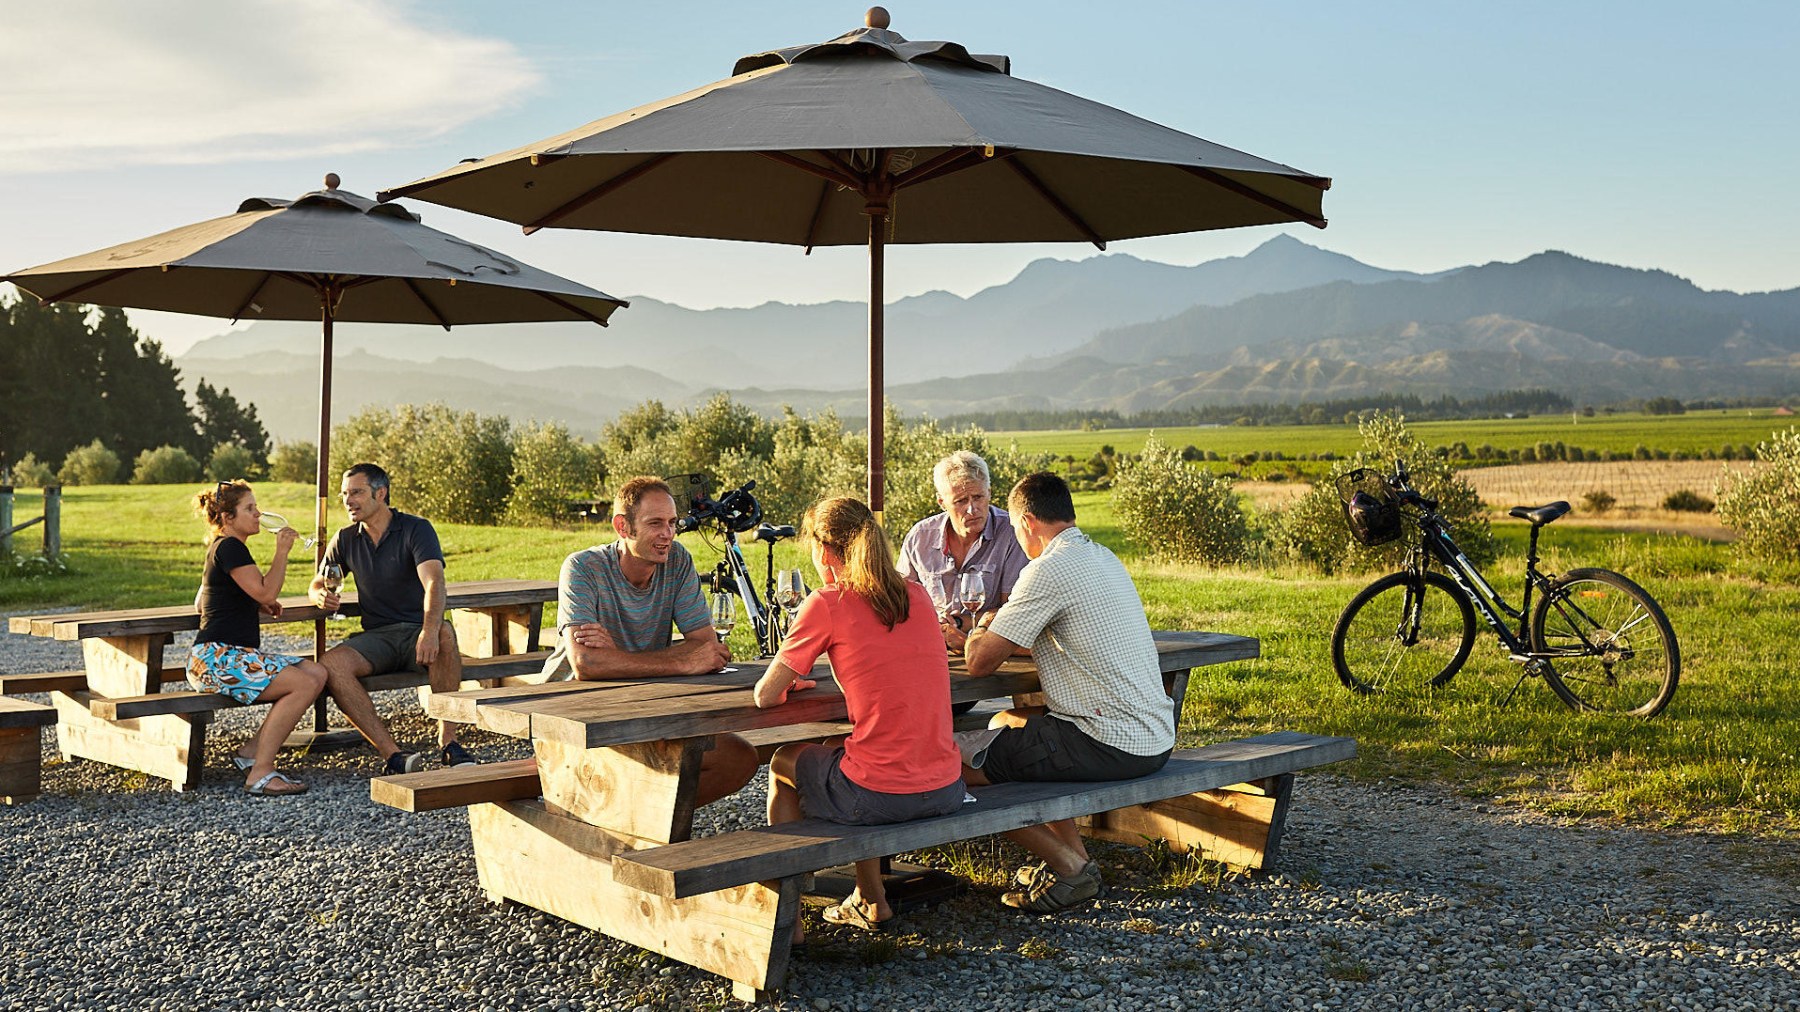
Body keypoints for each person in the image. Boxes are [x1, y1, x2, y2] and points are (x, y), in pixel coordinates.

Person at [961, 471, 1175, 914]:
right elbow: (1045, 633)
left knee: (950, 768)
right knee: (1005, 722)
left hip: (1104, 741)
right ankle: (1078, 863)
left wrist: (977, 627)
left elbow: (979, 662)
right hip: (1154, 736)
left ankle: (1069, 868)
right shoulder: (1103, 558)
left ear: (1026, 522)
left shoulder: (1046, 569)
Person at [754, 496, 965, 938]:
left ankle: (786, 919)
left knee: (782, 764)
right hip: (946, 785)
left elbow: (764, 696)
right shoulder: (916, 594)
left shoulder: (828, 602)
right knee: (840, 751)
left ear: (826, 552)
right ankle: (871, 898)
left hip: (882, 795)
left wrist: (790, 681)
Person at [541, 475, 757, 806]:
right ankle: (637, 831)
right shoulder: (583, 567)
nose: (668, 534)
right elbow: (586, 665)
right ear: (622, 527)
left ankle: (644, 830)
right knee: (648, 774)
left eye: (672, 523)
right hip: (571, 719)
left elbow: (706, 646)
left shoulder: (678, 561)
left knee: (739, 758)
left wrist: (618, 658)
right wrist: (682, 662)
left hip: (638, 710)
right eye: (655, 523)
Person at [307, 463, 470, 774]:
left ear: (380, 494)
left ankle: (449, 743)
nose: (348, 501)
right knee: (331, 664)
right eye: (344, 494)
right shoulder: (345, 539)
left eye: (356, 492)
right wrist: (318, 594)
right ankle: (394, 755)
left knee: (446, 634)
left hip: (415, 633)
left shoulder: (415, 529)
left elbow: (434, 582)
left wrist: (429, 630)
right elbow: (318, 581)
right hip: (378, 638)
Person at [189, 480, 328, 797]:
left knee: (316, 672)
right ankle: (260, 773)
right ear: (228, 518)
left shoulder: (223, 547)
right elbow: (267, 589)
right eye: (249, 509)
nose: (258, 514)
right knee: (303, 683)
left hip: (223, 656)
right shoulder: (230, 546)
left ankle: (251, 752)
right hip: (216, 659)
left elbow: (203, 602)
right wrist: (282, 553)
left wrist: (253, 600)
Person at [896, 451, 1029, 652]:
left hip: (990, 651)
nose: (972, 509)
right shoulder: (920, 537)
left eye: (978, 497)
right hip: (927, 647)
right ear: (941, 502)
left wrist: (958, 623)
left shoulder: (1011, 534)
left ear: (989, 493)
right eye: (960, 501)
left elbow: (1013, 611)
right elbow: (901, 601)